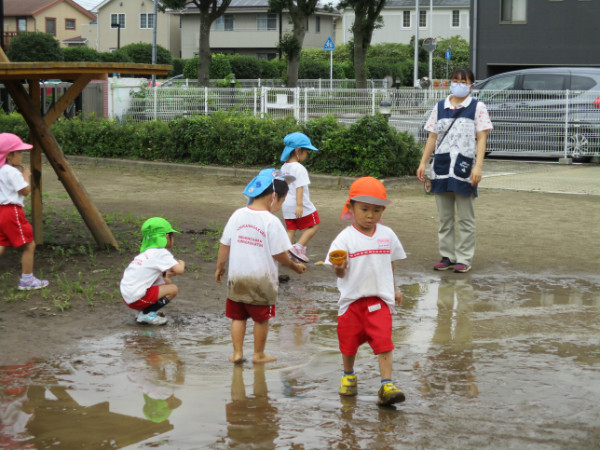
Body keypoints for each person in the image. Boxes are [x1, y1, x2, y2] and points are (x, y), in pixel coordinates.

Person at [325, 176, 407, 407]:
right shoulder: (344, 239)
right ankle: (348, 376)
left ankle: (387, 384)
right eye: (364, 209)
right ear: (351, 207)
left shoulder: (387, 235)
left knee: (384, 342)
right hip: (352, 302)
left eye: (377, 210)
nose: (370, 215)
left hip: (379, 300)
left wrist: (393, 287)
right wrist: (339, 268)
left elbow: (390, 262)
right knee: (348, 343)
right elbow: (339, 274)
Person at [216, 168, 306, 364]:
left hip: (237, 278)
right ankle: (259, 354)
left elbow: (225, 244)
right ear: (274, 197)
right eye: (281, 202)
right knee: (261, 319)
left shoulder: (237, 214)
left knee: (238, 318)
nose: (280, 207)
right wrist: (294, 266)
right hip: (261, 281)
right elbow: (279, 254)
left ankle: (238, 353)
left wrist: (219, 267)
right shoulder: (271, 222)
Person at [417, 67, 493, 273]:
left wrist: (478, 167)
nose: (458, 84)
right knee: (445, 217)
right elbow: (432, 137)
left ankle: (464, 258)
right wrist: (423, 162)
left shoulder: (478, 107)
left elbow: (482, 138)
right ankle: (447, 255)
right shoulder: (440, 107)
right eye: (454, 80)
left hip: (465, 168)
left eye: (463, 81)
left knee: (466, 218)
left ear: (471, 85)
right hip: (441, 167)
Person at [0, 133, 49, 291]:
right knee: (29, 244)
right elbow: (25, 191)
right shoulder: (11, 172)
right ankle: (27, 280)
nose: (21, 156)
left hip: (1, 211)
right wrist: (26, 176)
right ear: (8, 155)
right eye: (19, 152)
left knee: (2, 244)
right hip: (12, 211)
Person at [120, 217, 185, 325]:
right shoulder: (161, 252)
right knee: (173, 289)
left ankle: (143, 312)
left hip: (128, 296)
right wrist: (181, 263)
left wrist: (167, 275)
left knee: (167, 282)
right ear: (167, 236)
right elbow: (180, 270)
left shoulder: (147, 253)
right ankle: (147, 314)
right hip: (136, 298)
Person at [280, 132, 320, 263]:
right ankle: (298, 247)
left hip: (286, 203)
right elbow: (300, 187)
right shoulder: (299, 168)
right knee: (314, 224)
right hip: (298, 203)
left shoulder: (284, 167)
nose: (306, 155)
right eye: (306, 151)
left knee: (291, 230)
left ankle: (285, 255)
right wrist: (299, 205)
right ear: (298, 151)